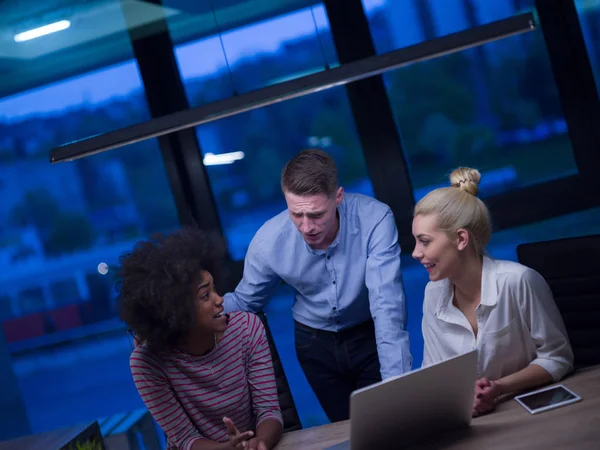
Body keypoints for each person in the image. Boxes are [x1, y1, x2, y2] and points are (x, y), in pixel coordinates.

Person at [223, 149, 412, 422]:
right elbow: (244, 303)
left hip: (369, 334)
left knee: (393, 422)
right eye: (296, 214)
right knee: (349, 431)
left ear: (338, 196)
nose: (306, 227)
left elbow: (388, 307)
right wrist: (188, 316)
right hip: (314, 345)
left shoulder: (375, 219)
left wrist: (400, 387)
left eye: (316, 214)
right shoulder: (268, 241)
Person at [412, 167, 574, 417]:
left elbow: (558, 357)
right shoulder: (432, 294)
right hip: (471, 420)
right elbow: (433, 375)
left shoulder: (519, 281)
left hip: (532, 412)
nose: (415, 253)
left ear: (461, 239)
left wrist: (498, 388)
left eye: (424, 241)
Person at [117, 228, 283, 450]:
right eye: (206, 295)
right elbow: (186, 439)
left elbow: (269, 411)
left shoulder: (247, 328)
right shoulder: (147, 363)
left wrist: (258, 443)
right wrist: (229, 448)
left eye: (215, 289)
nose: (220, 300)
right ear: (175, 310)